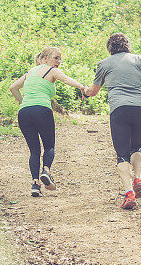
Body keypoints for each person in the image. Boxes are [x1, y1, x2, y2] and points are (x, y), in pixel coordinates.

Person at [83, 32, 141, 209]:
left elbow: (93, 91)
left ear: (109, 47)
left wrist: (86, 91)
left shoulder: (104, 64)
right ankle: (138, 179)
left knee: (122, 154)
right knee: (137, 146)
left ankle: (129, 194)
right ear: (128, 45)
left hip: (119, 109)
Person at [10, 46, 87, 197]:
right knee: (49, 146)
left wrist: (23, 102)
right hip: (42, 110)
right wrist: (81, 87)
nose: (58, 61)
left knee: (34, 151)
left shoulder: (29, 73)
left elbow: (13, 88)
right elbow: (66, 79)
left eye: (60, 59)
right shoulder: (51, 70)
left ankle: (35, 184)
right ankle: (46, 171)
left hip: (24, 112)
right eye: (55, 57)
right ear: (45, 58)